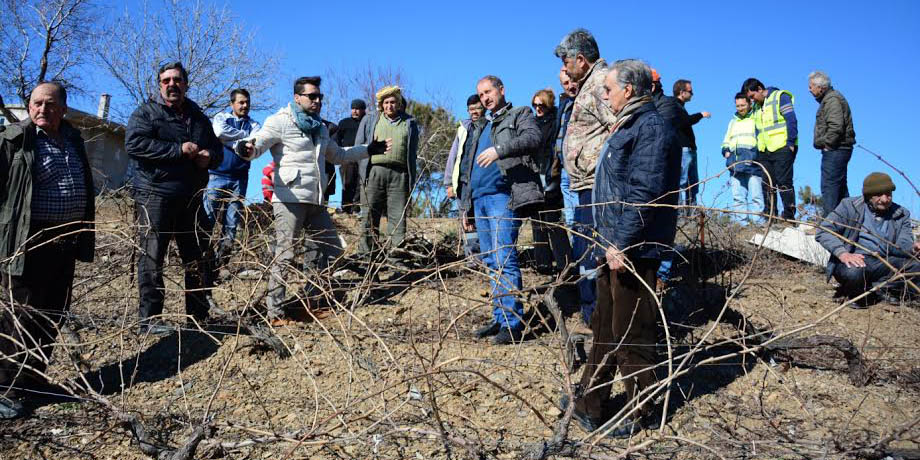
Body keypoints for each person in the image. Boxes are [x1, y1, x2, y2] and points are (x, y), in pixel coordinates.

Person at [564, 59, 680, 438]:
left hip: (633, 247)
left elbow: (644, 193)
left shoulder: (651, 128)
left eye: (609, 89)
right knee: (604, 327)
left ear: (629, 89)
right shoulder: (629, 124)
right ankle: (590, 403)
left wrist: (621, 243)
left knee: (632, 331)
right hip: (612, 243)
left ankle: (639, 411)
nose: (605, 94)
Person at [238, 76, 390, 324]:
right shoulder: (279, 121)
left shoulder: (319, 128)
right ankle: (275, 313)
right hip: (289, 200)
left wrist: (368, 149)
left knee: (332, 250)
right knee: (284, 256)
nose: (318, 100)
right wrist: (246, 148)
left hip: (316, 201)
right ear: (297, 98)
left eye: (320, 97)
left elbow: (338, 155)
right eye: (312, 96)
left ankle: (309, 302)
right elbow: (258, 144)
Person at [0, 82, 96, 419]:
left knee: (53, 312)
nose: (42, 109)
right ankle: (8, 390)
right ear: (29, 106)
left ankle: (33, 380)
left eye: (50, 104)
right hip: (26, 240)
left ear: (64, 108)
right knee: (20, 315)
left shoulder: (72, 139)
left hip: (65, 239)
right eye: (36, 103)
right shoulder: (13, 139)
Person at [125, 62, 223, 335]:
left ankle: (199, 315)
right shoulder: (146, 113)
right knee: (152, 258)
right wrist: (177, 150)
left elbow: (218, 151)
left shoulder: (199, 117)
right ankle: (150, 319)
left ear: (186, 84)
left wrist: (210, 157)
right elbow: (134, 144)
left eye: (177, 80)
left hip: (191, 197)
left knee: (197, 257)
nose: (172, 85)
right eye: (166, 80)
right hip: (155, 195)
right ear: (159, 85)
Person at [457, 75, 543, 345]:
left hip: (503, 196)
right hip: (479, 198)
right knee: (492, 261)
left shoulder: (520, 114)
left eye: (488, 92)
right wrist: (466, 205)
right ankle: (499, 318)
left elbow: (533, 138)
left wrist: (500, 150)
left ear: (501, 90)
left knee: (505, 257)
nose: (485, 98)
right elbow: (468, 165)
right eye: (481, 94)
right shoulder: (480, 126)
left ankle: (512, 323)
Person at [554, 28, 616, 325]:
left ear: (580, 59)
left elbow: (618, 130)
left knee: (593, 253)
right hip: (584, 184)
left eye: (566, 62)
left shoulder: (601, 85)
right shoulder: (589, 84)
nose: (564, 69)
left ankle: (599, 320)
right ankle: (594, 315)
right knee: (585, 251)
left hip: (597, 185)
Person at [815, 172, 919, 306]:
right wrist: (843, 254)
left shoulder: (901, 214)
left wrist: (912, 248)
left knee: (916, 267)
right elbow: (824, 231)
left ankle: (884, 291)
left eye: (888, 194)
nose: (885, 199)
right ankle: (855, 294)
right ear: (868, 195)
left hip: (884, 262)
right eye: (879, 195)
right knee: (854, 272)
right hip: (856, 260)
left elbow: (902, 244)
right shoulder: (849, 206)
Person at [355, 86, 419, 256]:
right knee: (369, 216)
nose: (390, 106)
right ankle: (366, 256)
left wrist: (411, 178)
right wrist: (362, 174)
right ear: (381, 105)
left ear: (399, 104)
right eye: (386, 102)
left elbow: (413, 153)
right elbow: (359, 147)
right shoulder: (370, 120)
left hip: (400, 175)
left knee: (398, 218)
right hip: (374, 172)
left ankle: (396, 258)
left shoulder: (409, 123)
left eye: (393, 102)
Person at [206, 88, 261, 268]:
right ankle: (202, 262)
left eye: (247, 102)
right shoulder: (222, 117)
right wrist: (242, 140)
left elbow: (255, 141)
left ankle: (220, 265)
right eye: (241, 102)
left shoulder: (254, 124)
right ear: (232, 104)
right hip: (216, 175)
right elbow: (220, 132)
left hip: (240, 179)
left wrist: (232, 141)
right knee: (207, 220)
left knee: (231, 224)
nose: (245, 106)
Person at [742, 78, 798, 220]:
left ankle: (789, 217)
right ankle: (770, 218)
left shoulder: (780, 97)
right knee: (767, 184)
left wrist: (790, 143)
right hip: (765, 151)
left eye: (752, 96)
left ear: (760, 89)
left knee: (784, 183)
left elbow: (791, 119)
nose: (752, 100)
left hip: (782, 147)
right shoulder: (756, 106)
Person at [531, 88, 572, 275]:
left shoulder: (555, 122)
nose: (538, 108)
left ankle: (564, 262)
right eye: (535, 105)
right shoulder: (532, 124)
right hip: (535, 175)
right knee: (536, 220)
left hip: (551, 174)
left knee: (552, 221)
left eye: (541, 105)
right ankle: (543, 263)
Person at [809, 71, 856, 217]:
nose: (809, 90)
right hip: (839, 149)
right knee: (840, 188)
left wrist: (828, 145)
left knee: (830, 186)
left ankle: (829, 224)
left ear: (820, 87)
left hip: (836, 149)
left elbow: (836, 126)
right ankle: (848, 223)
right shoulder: (830, 99)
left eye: (811, 86)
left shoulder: (832, 100)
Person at [445, 94, 486, 261]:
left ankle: (487, 257)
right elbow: (453, 156)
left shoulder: (489, 126)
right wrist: (449, 183)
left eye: (477, 108)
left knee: (482, 218)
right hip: (462, 182)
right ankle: (473, 259)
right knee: (466, 220)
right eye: (471, 109)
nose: (474, 112)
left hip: (482, 182)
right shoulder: (463, 128)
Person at [721, 93, 764, 224]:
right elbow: (726, 140)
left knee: (756, 195)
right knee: (738, 196)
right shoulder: (733, 121)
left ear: (749, 104)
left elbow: (761, 138)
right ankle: (742, 223)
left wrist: (756, 155)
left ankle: (759, 223)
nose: (740, 108)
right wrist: (725, 150)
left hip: (753, 162)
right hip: (735, 162)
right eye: (738, 106)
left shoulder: (755, 119)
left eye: (743, 105)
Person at [672, 79, 711, 210]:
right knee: (682, 182)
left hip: (689, 150)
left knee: (692, 183)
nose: (692, 94)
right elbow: (685, 121)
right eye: (690, 91)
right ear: (682, 92)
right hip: (683, 150)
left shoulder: (680, 107)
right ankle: (680, 214)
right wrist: (701, 115)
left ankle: (691, 213)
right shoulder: (674, 106)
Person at [335, 99, 367, 214]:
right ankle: (345, 208)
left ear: (363, 110)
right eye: (353, 108)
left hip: (363, 157)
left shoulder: (367, 122)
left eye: (358, 109)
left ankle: (356, 208)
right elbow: (337, 139)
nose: (355, 111)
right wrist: (337, 154)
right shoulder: (344, 123)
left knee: (360, 183)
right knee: (347, 183)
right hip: (347, 156)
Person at [557, 70, 579, 228]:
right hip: (564, 166)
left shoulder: (583, 100)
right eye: (565, 83)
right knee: (570, 218)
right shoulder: (564, 104)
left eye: (572, 81)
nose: (570, 86)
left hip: (578, 165)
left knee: (581, 215)